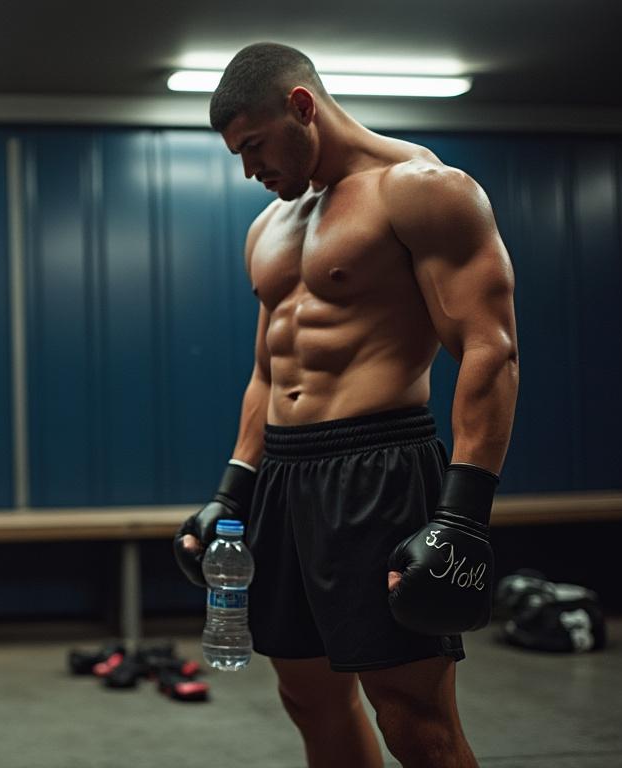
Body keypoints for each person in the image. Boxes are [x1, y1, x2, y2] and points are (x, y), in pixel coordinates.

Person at [173, 43, 519, 768]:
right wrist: (231, 490)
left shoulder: (423, 190)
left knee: (413, 717)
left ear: (302, 106)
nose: (248, 170)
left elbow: (489, 349)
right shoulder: (266, 229)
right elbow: (267, 372)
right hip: (285, 480)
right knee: (307, 696)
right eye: (237, 154)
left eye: (255, 146)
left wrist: (462, 516)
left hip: (380, 469)